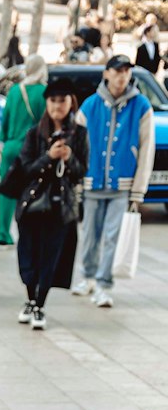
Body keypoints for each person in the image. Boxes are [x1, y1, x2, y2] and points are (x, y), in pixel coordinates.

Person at [4, 81, 88, 331]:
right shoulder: (35, 133)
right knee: (29, 256)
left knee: (51, 258)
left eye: (62, 101)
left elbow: (82, 171)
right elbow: (25, 168)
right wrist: (49, 156)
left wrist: (69, 157)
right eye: (52, 101)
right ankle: (30, 299)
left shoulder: (80, 134)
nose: (57, 106)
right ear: (47, 103)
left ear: (70, 103)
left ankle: (39, 305)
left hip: (59, 208)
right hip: (32, 205)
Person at [74, 54, 154, 307]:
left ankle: (103, 284)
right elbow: (77, 147)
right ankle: (87, 275)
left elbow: (146, 148)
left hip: (123, 185)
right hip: (92, 182)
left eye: (126, 71)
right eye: (118, 71)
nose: (122, 76)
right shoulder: (90, 106)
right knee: (89, 235)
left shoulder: (141, 106)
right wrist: (76, 182)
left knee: (112, 237)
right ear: (106, 73)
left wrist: (138, 190)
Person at [0, 52, 47, 247]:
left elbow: (6, 121)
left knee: (7, 190)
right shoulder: (44, 92)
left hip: (10, 146)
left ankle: (3, 234)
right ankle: (25, 231)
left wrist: (4, 140)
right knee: (29, 191)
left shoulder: (15, 91)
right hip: (30, 150)